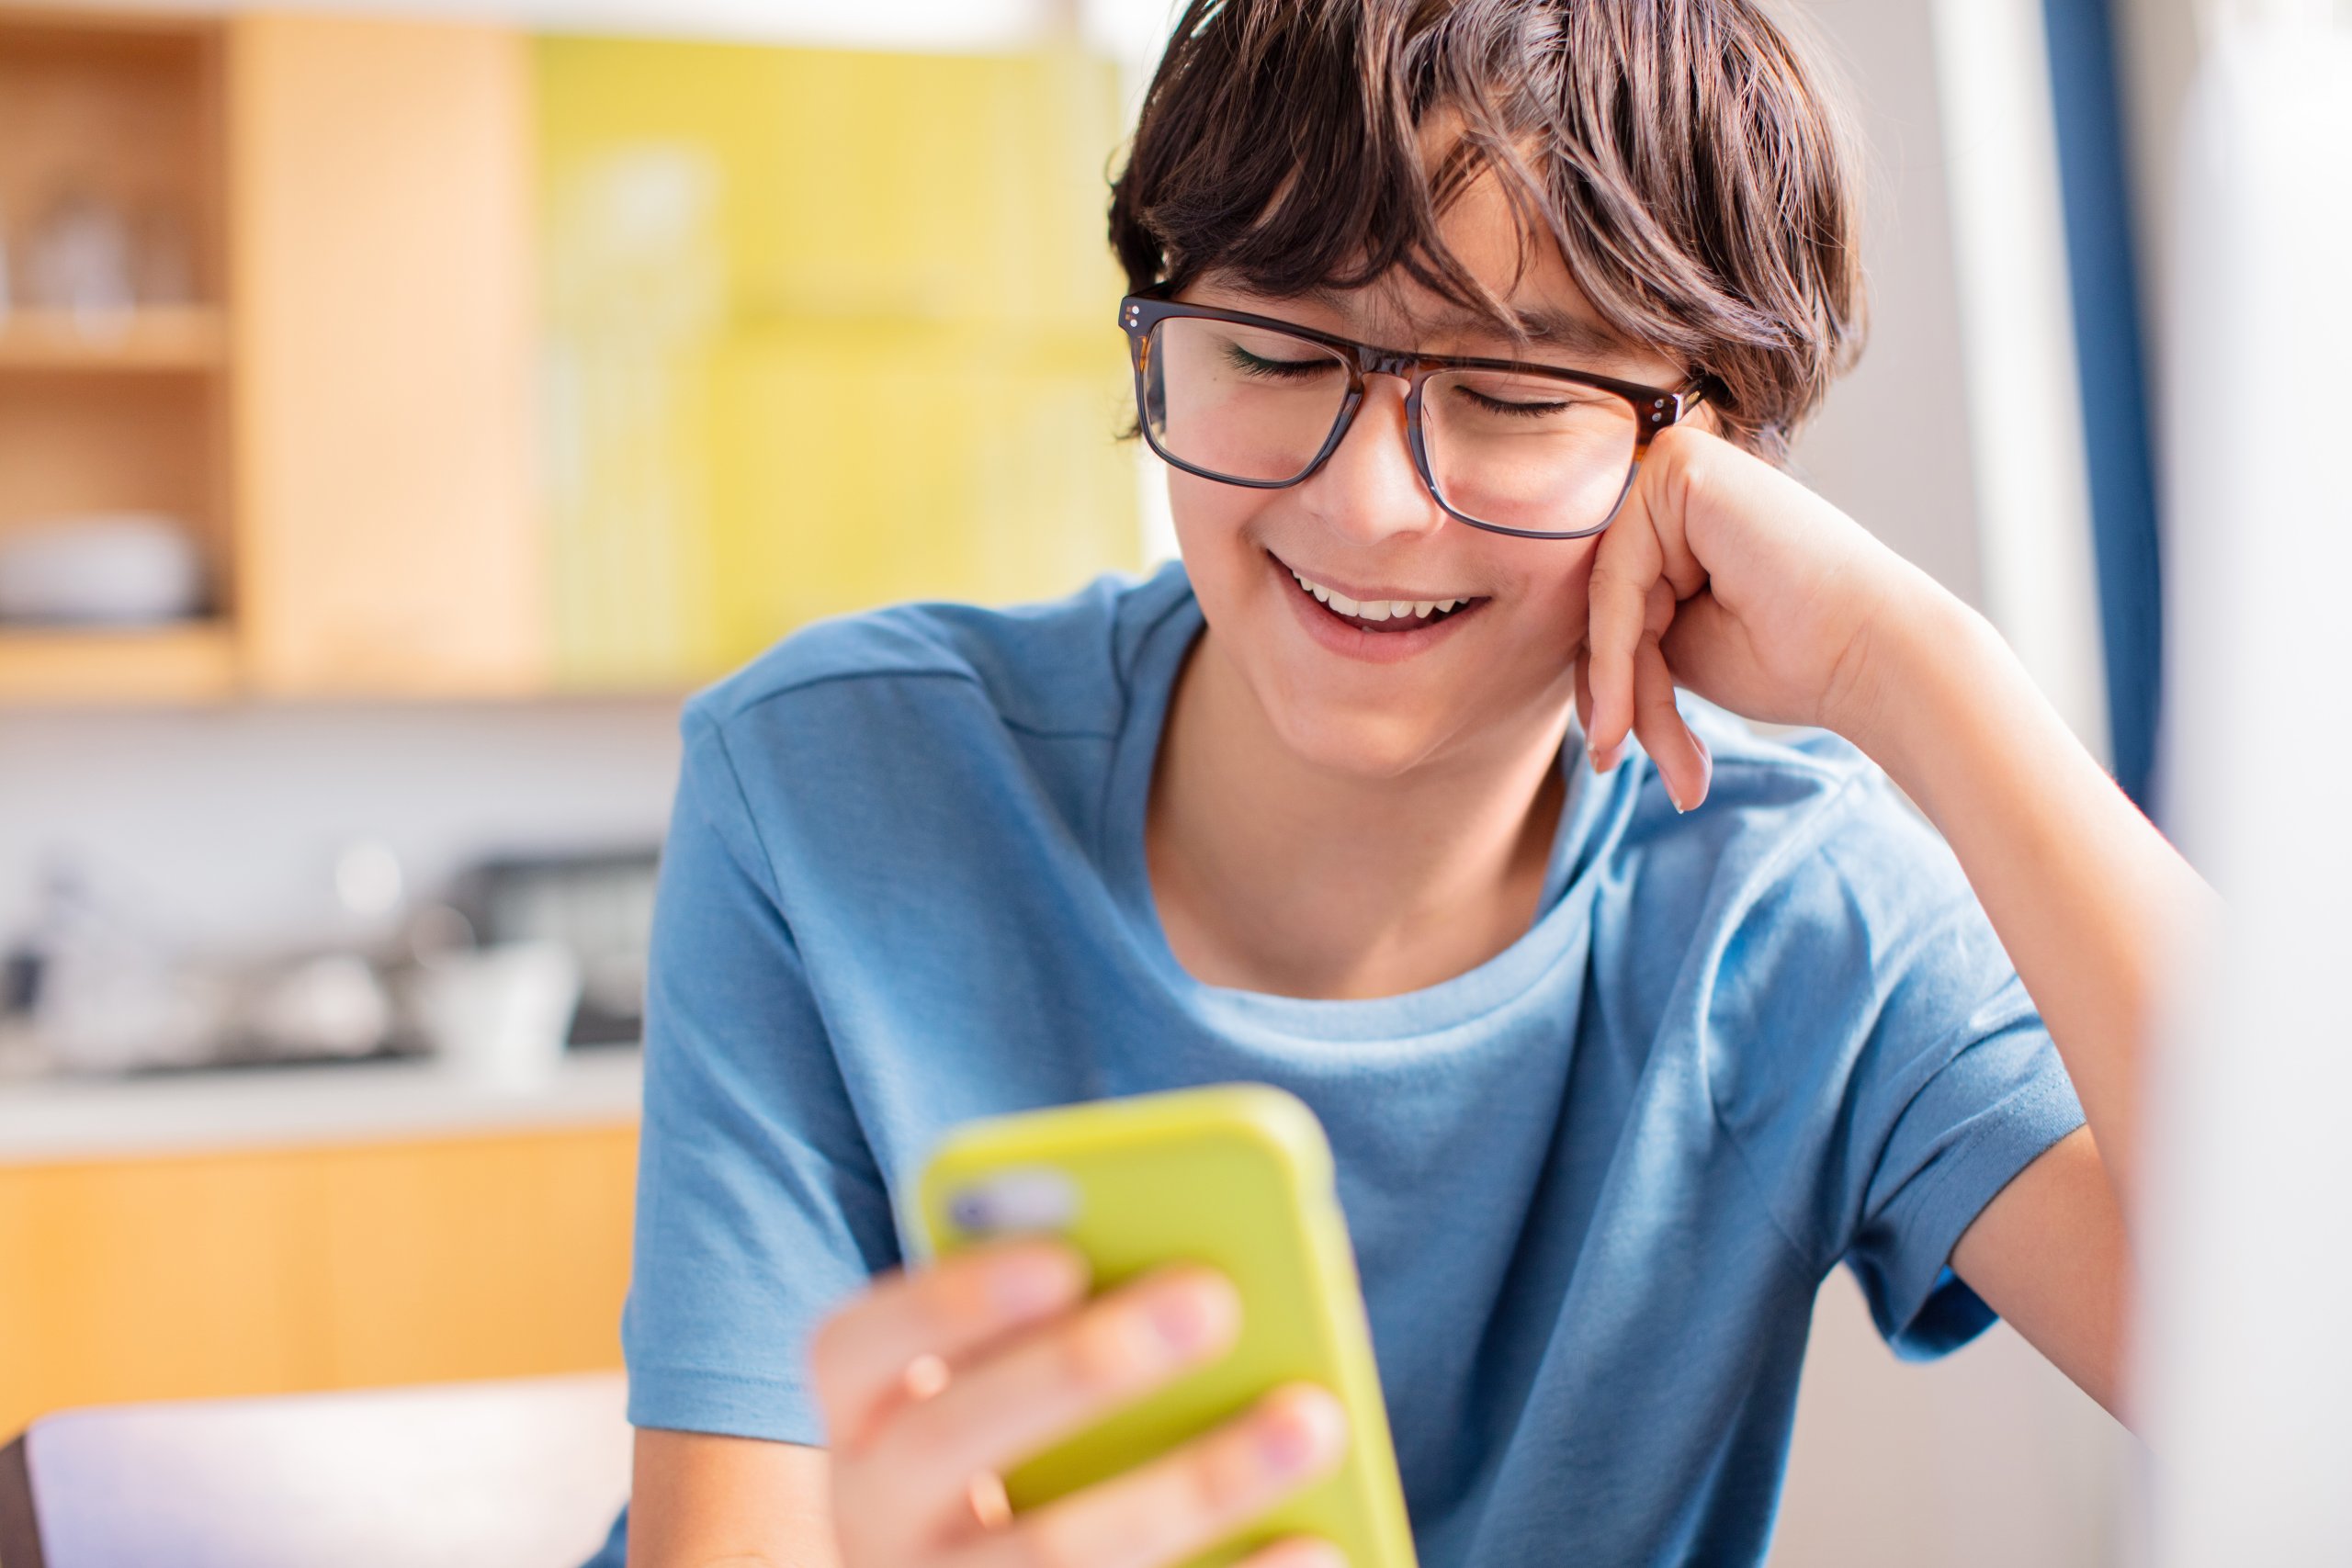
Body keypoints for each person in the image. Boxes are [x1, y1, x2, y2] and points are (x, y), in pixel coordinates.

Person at [594, 2, 2208, 1563]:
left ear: (1715, 452)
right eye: (1275, 352)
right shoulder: (833, 783)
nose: (1364, 506)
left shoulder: (1802, 918)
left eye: (1510, 396)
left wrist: (1912, 665)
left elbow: (2304, 1371)